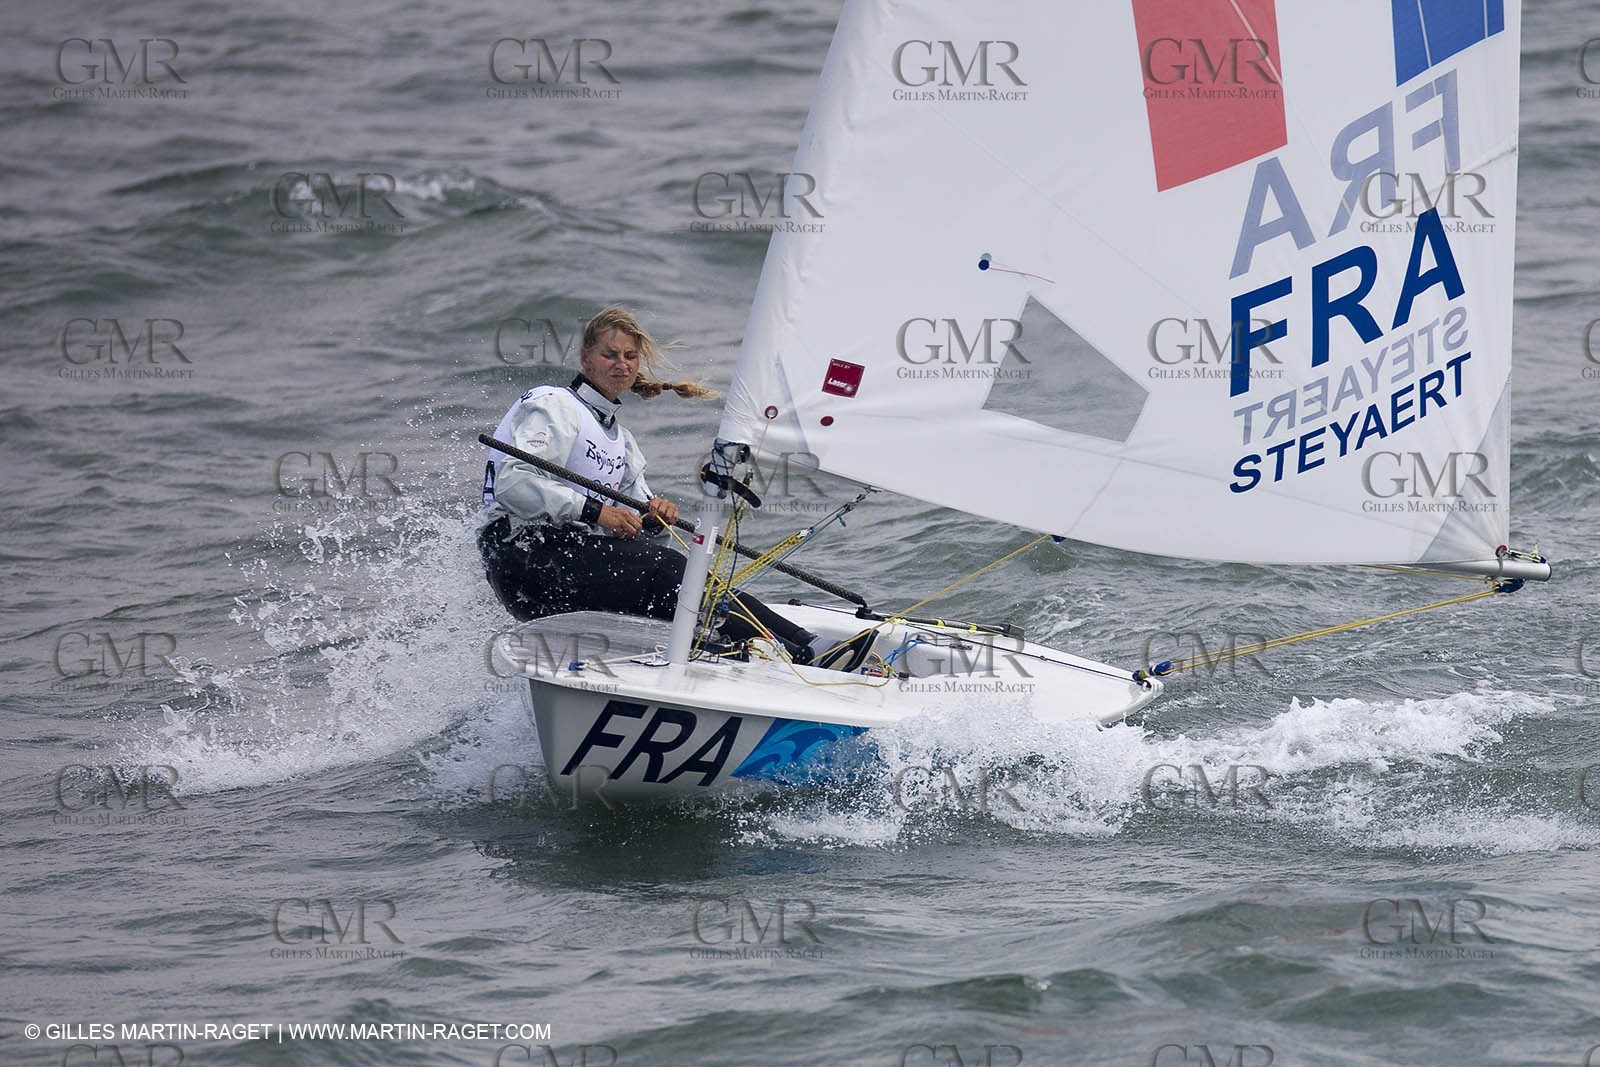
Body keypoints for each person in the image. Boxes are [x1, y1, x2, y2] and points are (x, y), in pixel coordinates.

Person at [477, 306, 818, 662]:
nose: (621, 364)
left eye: (629, 356)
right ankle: (795, 653)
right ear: (586, 359)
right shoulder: (556, 405)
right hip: (521, 557)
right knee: (663, 569)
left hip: (570, 561)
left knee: (687, 572)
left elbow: (635, 527)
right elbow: (512, 483)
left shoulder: (621, 441)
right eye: (609, 355)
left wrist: (654, 519)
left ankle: (804, 644)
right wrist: (597, 512)